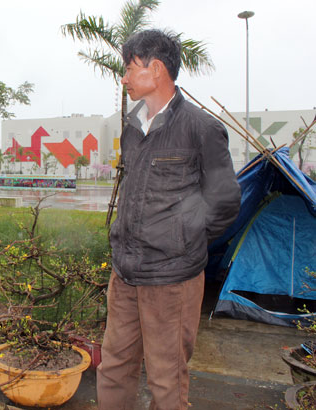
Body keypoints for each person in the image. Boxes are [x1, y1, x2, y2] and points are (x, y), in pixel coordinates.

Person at [97, 29, 241, 410]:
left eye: (129, 68)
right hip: (125, 274)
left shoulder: (201, 128)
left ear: (156, 69)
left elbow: (225, 202)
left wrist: (182, 241)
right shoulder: (132, 127)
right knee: (113, 368)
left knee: (166, 379)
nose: (124, 78)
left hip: (172, 281)